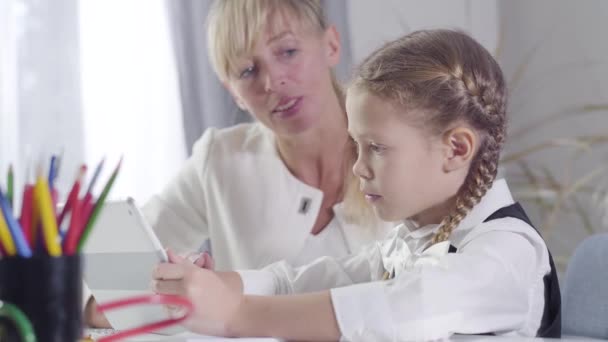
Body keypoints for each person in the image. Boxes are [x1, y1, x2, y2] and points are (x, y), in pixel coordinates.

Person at [152, 29, 561, 341]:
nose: (359, 168)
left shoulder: (504, 253)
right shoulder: (413, 240)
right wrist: (220, 286)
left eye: (377, 148)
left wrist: (233, 315)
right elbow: (294, 282)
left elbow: (399, 307)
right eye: (357, 147)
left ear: (455, 148)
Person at [85, 0, 390, 327]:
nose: (272, 81)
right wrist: (183, 291)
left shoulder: (402, 141)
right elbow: (105, 288)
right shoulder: (221, 159)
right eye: (247, 70)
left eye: (287, 52)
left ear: (330, 45)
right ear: (234, 93)